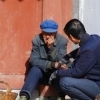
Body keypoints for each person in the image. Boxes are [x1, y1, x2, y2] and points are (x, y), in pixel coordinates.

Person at [49, 19, 100, 100]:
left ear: (71, 37)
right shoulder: (95, 38)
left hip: (96, 85)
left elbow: (77, 73)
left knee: (65, 82)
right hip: (92, 79)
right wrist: (68, 56)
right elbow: (81, 49)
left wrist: (57, 73)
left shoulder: (87, 51)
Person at [19, 19, 69, 100]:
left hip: (55, 75)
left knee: (62, 70)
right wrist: (51, 64)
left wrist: (51, 48)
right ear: (42, 32)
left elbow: (61, 60)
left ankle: (61, 96)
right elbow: (34, 60)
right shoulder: (36, 40)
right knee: (34, 69)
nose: (48, 36)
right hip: (42, 74)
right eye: (45, 33)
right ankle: (24, 96)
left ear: (55, 33)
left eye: (51, 34)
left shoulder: (62, 41)